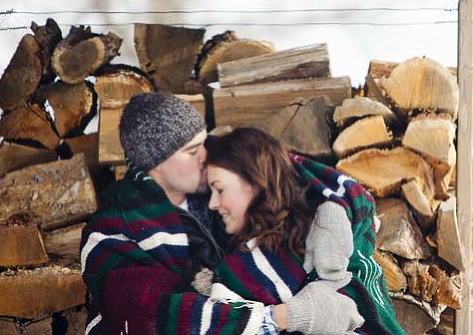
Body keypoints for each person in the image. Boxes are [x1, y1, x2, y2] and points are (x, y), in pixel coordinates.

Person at [80, 92, 362, 335]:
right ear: (155, 164)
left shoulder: (227, 165)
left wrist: (330, 214)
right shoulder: (114, 230)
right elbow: (150, 313)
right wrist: (285, 316)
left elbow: (318, 184)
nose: (205, 155)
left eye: (203, 142)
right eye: (192, 151)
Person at [203, 127, 405, 335]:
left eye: (220, 189)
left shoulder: (322, 229)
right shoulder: (253, 251)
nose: (212, 203)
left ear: (254, 181)